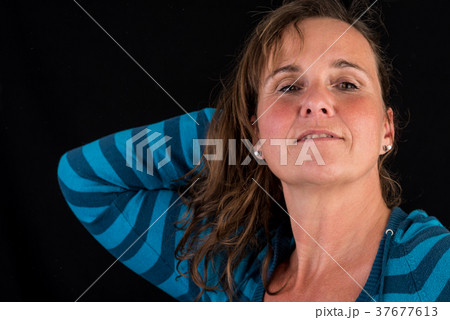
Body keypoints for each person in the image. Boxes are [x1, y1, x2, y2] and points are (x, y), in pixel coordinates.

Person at [57, 0, 450, 302]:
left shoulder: (431, 266)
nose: (315, 102)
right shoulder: (229, 271)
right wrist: (232, 132)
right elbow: (85, 181)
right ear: (256, 135)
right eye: (288, 86)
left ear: (387, 128)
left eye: (346, 84)